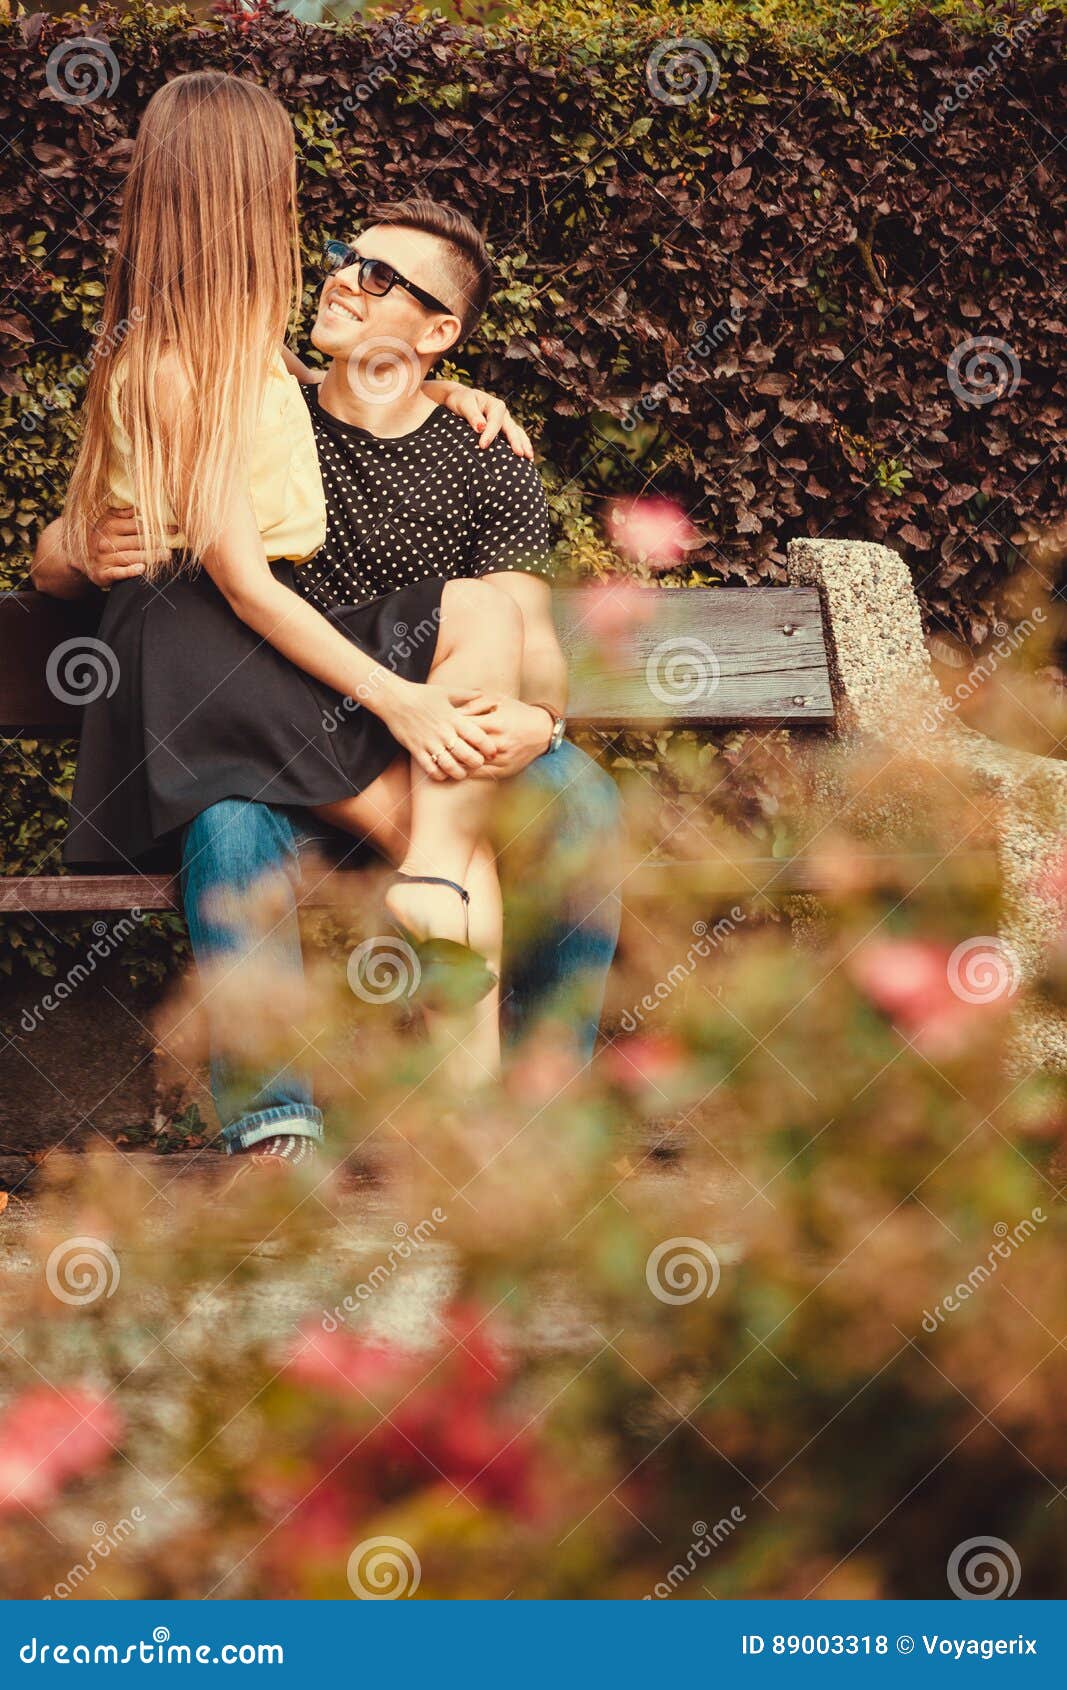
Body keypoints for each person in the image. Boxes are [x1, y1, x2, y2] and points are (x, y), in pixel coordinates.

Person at [33, 86, 620, 1167]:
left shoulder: (480, 447)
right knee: (228, 821)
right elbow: (130, 500)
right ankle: (278, 1120)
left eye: (385, 277)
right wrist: (76, 540)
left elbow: (527, 620)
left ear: (438, 334)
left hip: (417, 735)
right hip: (276, 729)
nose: (348, 274)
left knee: (576, 794)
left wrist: (540, 716)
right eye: (348, 252)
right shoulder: (259, 388)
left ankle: (537, 1106)